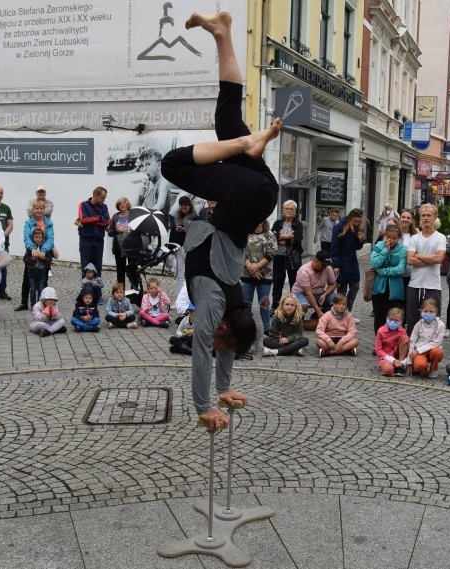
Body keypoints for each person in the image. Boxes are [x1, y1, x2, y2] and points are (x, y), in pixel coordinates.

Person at [159, 11, 280, 429]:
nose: (211, 338)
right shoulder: (215, 303)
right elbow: (203, 352)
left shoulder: (237, 310)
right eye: (217, 334)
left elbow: (226, 347)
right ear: (224, 326)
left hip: (257, 194)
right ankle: (248, 143)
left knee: (226, 116)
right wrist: (203, 406)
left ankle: (222, 32)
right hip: (246, 199)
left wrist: (225, 388)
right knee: (172, 164)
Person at [405, 204, 447, 333]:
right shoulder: (415, 238)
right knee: (411, 320)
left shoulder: (440, 237)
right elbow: (410, 260)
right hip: (415, 284)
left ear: (435, 217)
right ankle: (411, 349)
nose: (426, 218)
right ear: (419, 218)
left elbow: (439, 259)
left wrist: (418, 255)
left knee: (431, 320)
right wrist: (431, 258)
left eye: (429, 215)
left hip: (432, 285)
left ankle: (428, 349)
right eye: (423, 215)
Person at [15, 200, 55, 311]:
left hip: (44, 253)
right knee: (27, 279)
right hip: (31, 252)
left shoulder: (49, 223)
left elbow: (50, 239)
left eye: (41, 208)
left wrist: (44, 250)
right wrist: (32, 248)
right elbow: (26, 237)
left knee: (44, 279)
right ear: (33, 210)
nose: (39, 210)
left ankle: (43, 303)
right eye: (37, 208)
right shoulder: (28, 223)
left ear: (44, 210)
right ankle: (24, 302)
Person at [370, 222, 407, 332]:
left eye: (394, 238)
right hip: (379, 288)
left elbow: (401, 269)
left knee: (394, 318)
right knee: (379, 318)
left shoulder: (402, 250)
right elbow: (374, 263)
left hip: (395, 290)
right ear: (384, 236)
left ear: (399, 238)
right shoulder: (379, 246)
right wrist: (385, 250)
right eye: (388, 237)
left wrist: (382, 271)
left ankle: (393, 344)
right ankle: (379, 344)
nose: (391, 240)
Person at [242, 220, 277, 335]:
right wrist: (251, 268)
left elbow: (271, 253)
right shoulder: (244, 233)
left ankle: (267, 329)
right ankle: (246, 329)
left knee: (264, 303)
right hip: (246, 273)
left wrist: (256, 267)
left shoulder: (270, 235)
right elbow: (241, 251)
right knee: (246, 303)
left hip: (265, 274)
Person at [330, 208, 364, 312]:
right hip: (341, 262)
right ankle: (340, 312)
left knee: (355, 286)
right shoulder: (339, 227)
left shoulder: (357, 228)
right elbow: (334, 247)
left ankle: (348, 310)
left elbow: (358, 247)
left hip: (352, 262)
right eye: (354, 221)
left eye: (358, 221)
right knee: (342, 290)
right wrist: (336, 265)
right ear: (349, 219)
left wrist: (360, 239)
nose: (356, 223)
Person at [271, 200, 303, 309]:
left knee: (294, 283)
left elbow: (297, 240)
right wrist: (286, 236)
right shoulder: (277, 223)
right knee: (277, 282)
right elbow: (272, 237)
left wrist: (280, 237)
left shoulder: (298, 225)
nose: (289, 211)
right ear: (283, 210)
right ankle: (275, 306)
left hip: (293, 257)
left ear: (295, 212)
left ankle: (293, 306)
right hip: (279, 256)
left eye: (291, 209)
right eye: (287, 208)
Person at [406, 297, 445, 378]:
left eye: (431, 312)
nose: (428, 314)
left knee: (437, 352)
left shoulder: (440, 325)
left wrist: (418, 350)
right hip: (420, 352)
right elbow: (412, 341)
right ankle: (422, 368)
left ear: (436, 312)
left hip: (431, 350)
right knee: (420, 365)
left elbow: (436, 343)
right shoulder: (418, 324)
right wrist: (409, 363)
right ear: (421, 311)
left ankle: (434, 368)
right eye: (425, 311)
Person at [292, 251, 337, 319]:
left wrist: (325, 294)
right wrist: (319, 311)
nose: (325, 267)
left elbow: (333, 284)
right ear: (316, 261)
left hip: (319, 293)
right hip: (301, 292)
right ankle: (298, 321)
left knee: (335, 300)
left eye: (326, 265)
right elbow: (308, 294)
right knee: (304, 305)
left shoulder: (328, 268)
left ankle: (317, 317)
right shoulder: (304, 271)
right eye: (323, 265)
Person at [77, 186, 110, 278]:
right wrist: (99, 218)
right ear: (96, 195)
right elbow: (83, 219)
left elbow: (107, 221)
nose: (104, 200)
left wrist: (93, 220)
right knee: (86, 265)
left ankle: (97, 288)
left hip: (99, 239)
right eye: (102, 198)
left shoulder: (104, 207)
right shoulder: (83, 205)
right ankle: (86, 289)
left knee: (98, 265)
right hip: (86, 239)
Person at [170, 195, 199, 299]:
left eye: (185, 208)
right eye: (181, 208)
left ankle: (190, 298)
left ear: (189, 206)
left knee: (190, 273)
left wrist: (185, 229)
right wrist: (177, 229)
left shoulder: (195, 217)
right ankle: (179, 298)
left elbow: (197, 232)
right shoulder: (177, 216)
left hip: (190, 247)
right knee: (179, 274)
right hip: (179, 246)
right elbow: (172, 232)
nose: (183, 210)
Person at [375, 306, 410, 376]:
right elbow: (378, 349)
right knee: (388, 370)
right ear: (386, 318)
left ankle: (400, 366)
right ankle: (395, 366)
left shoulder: (402, 331)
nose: (393, 322)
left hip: (398, 356)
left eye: (396, 320)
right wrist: (392, 360)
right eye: (391, 319)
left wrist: (403, 362)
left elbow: (407, 347)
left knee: (405, 338)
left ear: (401, 321)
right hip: (385, 356)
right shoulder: (381, 331)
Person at [108, 197, 134, 289]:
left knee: (132, 270)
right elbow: (110, 232)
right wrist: (116, 230)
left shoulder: (133, 215)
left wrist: (132, 230)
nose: (122, 204)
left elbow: (139, 230)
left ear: (127, 204)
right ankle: (120, 291)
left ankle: (134, 291)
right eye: (120, 203)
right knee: (120, 271)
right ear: (118, 206)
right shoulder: (116, 216)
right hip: (119, 247)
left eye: (124, 203)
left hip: (132, 247)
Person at [137, 147, 172, 212]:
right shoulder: (147, 184)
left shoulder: (163, 183)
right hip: (149, 218)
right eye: (142, 165)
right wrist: (139, 196)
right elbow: (136, 207)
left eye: (148, 164)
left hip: (160, 220)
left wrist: (146, 216)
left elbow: (160, 205)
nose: (144, 169)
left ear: (158, 165)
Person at [23, 228, 51, 308]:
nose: (38, 239)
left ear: (42, 238)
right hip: (31, 271)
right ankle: (33, 306)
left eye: (39, 237)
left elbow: (49, 261)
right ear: (32, 238)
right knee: (32, 289)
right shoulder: (30, 248)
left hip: (41, 271)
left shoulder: (45, 248)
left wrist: (43, 258)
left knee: (41, 289)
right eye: (36, 237)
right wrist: (33, 259)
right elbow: (25, 259)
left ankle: (40, 305)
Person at [399, 209, 418, 290]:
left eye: (408, 218)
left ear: (412, 221)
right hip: (395, 274)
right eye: (403, 217)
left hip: (411, 274)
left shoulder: (415, 235)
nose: (405, 219)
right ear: (400, 218)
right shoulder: (394, 232)